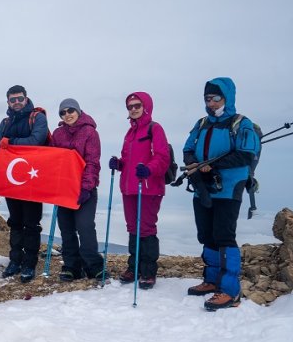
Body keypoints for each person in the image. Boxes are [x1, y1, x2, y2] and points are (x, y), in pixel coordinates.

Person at [182, 77, 260, 310]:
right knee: (207, 235)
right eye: (208, 98)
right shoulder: (202, 123)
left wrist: (213, 166)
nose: (212, 103)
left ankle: (230, 291)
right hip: (203, 187)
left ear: (228, 98)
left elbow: (246, 154)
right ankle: (212, 280)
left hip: (228, 188)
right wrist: (195, 164)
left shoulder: (241, 124)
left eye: (217, 98)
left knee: (224, 235)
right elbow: (187, 149)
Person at [0, 85, 49, 283]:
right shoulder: (5, 122)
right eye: (13, 100)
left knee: (31, 223)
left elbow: (37, 140)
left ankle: (29, 263)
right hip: (12, 181)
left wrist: (11, 142)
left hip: (32, 179)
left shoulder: (37, 118)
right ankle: (15, 261)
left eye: (20, 98)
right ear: (8, 102)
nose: (17, 102)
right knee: (16, 222)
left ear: (26, 98)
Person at [109, 92, 170, 290]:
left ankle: (148, 271)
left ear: (146, 107)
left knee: (146, 228)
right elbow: (128, 160)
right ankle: (134, 267)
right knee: (133, 228)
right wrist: (119, 164)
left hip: (149, 187)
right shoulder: (130, 133)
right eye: (130, 107)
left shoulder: (155, 129)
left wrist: (149, 169)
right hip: (129, 188)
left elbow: (162, 157)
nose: (133, 109)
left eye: (137, 105)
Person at [51, 99, 105, 281]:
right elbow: (52, 159)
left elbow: (92, 161)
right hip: (64, 189)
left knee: (85, 226)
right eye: (62, 112)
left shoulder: (90, 132)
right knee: (66, 229)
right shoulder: (57, 134)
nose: (67, 114)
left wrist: (87, 187)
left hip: (85, 189)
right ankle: (71, 266)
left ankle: (94, 266)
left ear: (79, 111)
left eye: (70, 110)